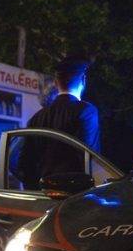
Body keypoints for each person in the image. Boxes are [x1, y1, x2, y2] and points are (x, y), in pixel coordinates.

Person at [17, 56, 100, 189]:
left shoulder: (36, 118)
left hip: (45, 194)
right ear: (83, 80)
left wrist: (37, 188)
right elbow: (91, 158)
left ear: (56, 83)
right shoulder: (86, 111)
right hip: (75, 195)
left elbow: (23, 163)